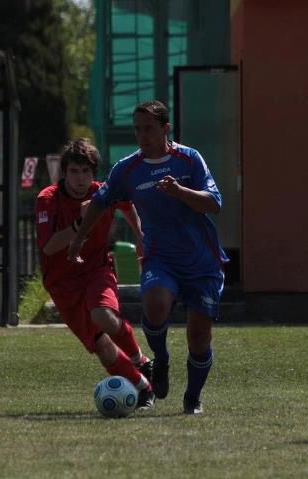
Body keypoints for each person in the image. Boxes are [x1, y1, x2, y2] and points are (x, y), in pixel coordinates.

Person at [67, 100, 228, 415]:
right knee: (154, 306)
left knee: (199, 336)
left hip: (200, 260)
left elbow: (214, 202)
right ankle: (162, 359)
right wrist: (79, 239)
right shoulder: (128, 169)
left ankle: (192, 398)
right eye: (137, 129)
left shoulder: (189, 159)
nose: (142, 135)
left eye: (149, 129)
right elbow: (100, 202)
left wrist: (181, 192)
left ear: (166, 129)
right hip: (160, 256)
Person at [35, 138, 155, 410]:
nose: (80, 178)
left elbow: (127, 204)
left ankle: (140, 360)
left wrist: (140, 235)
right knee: (101, 346)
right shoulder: (47, 199)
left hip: (96, 269)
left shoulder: (103, 192)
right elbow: (50, 246)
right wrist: (82, 221)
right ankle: (144, 388)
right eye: (74, 171)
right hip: (62, 284)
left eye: (86, 171)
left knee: (102, 314)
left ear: (93, 173)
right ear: (64, 173)